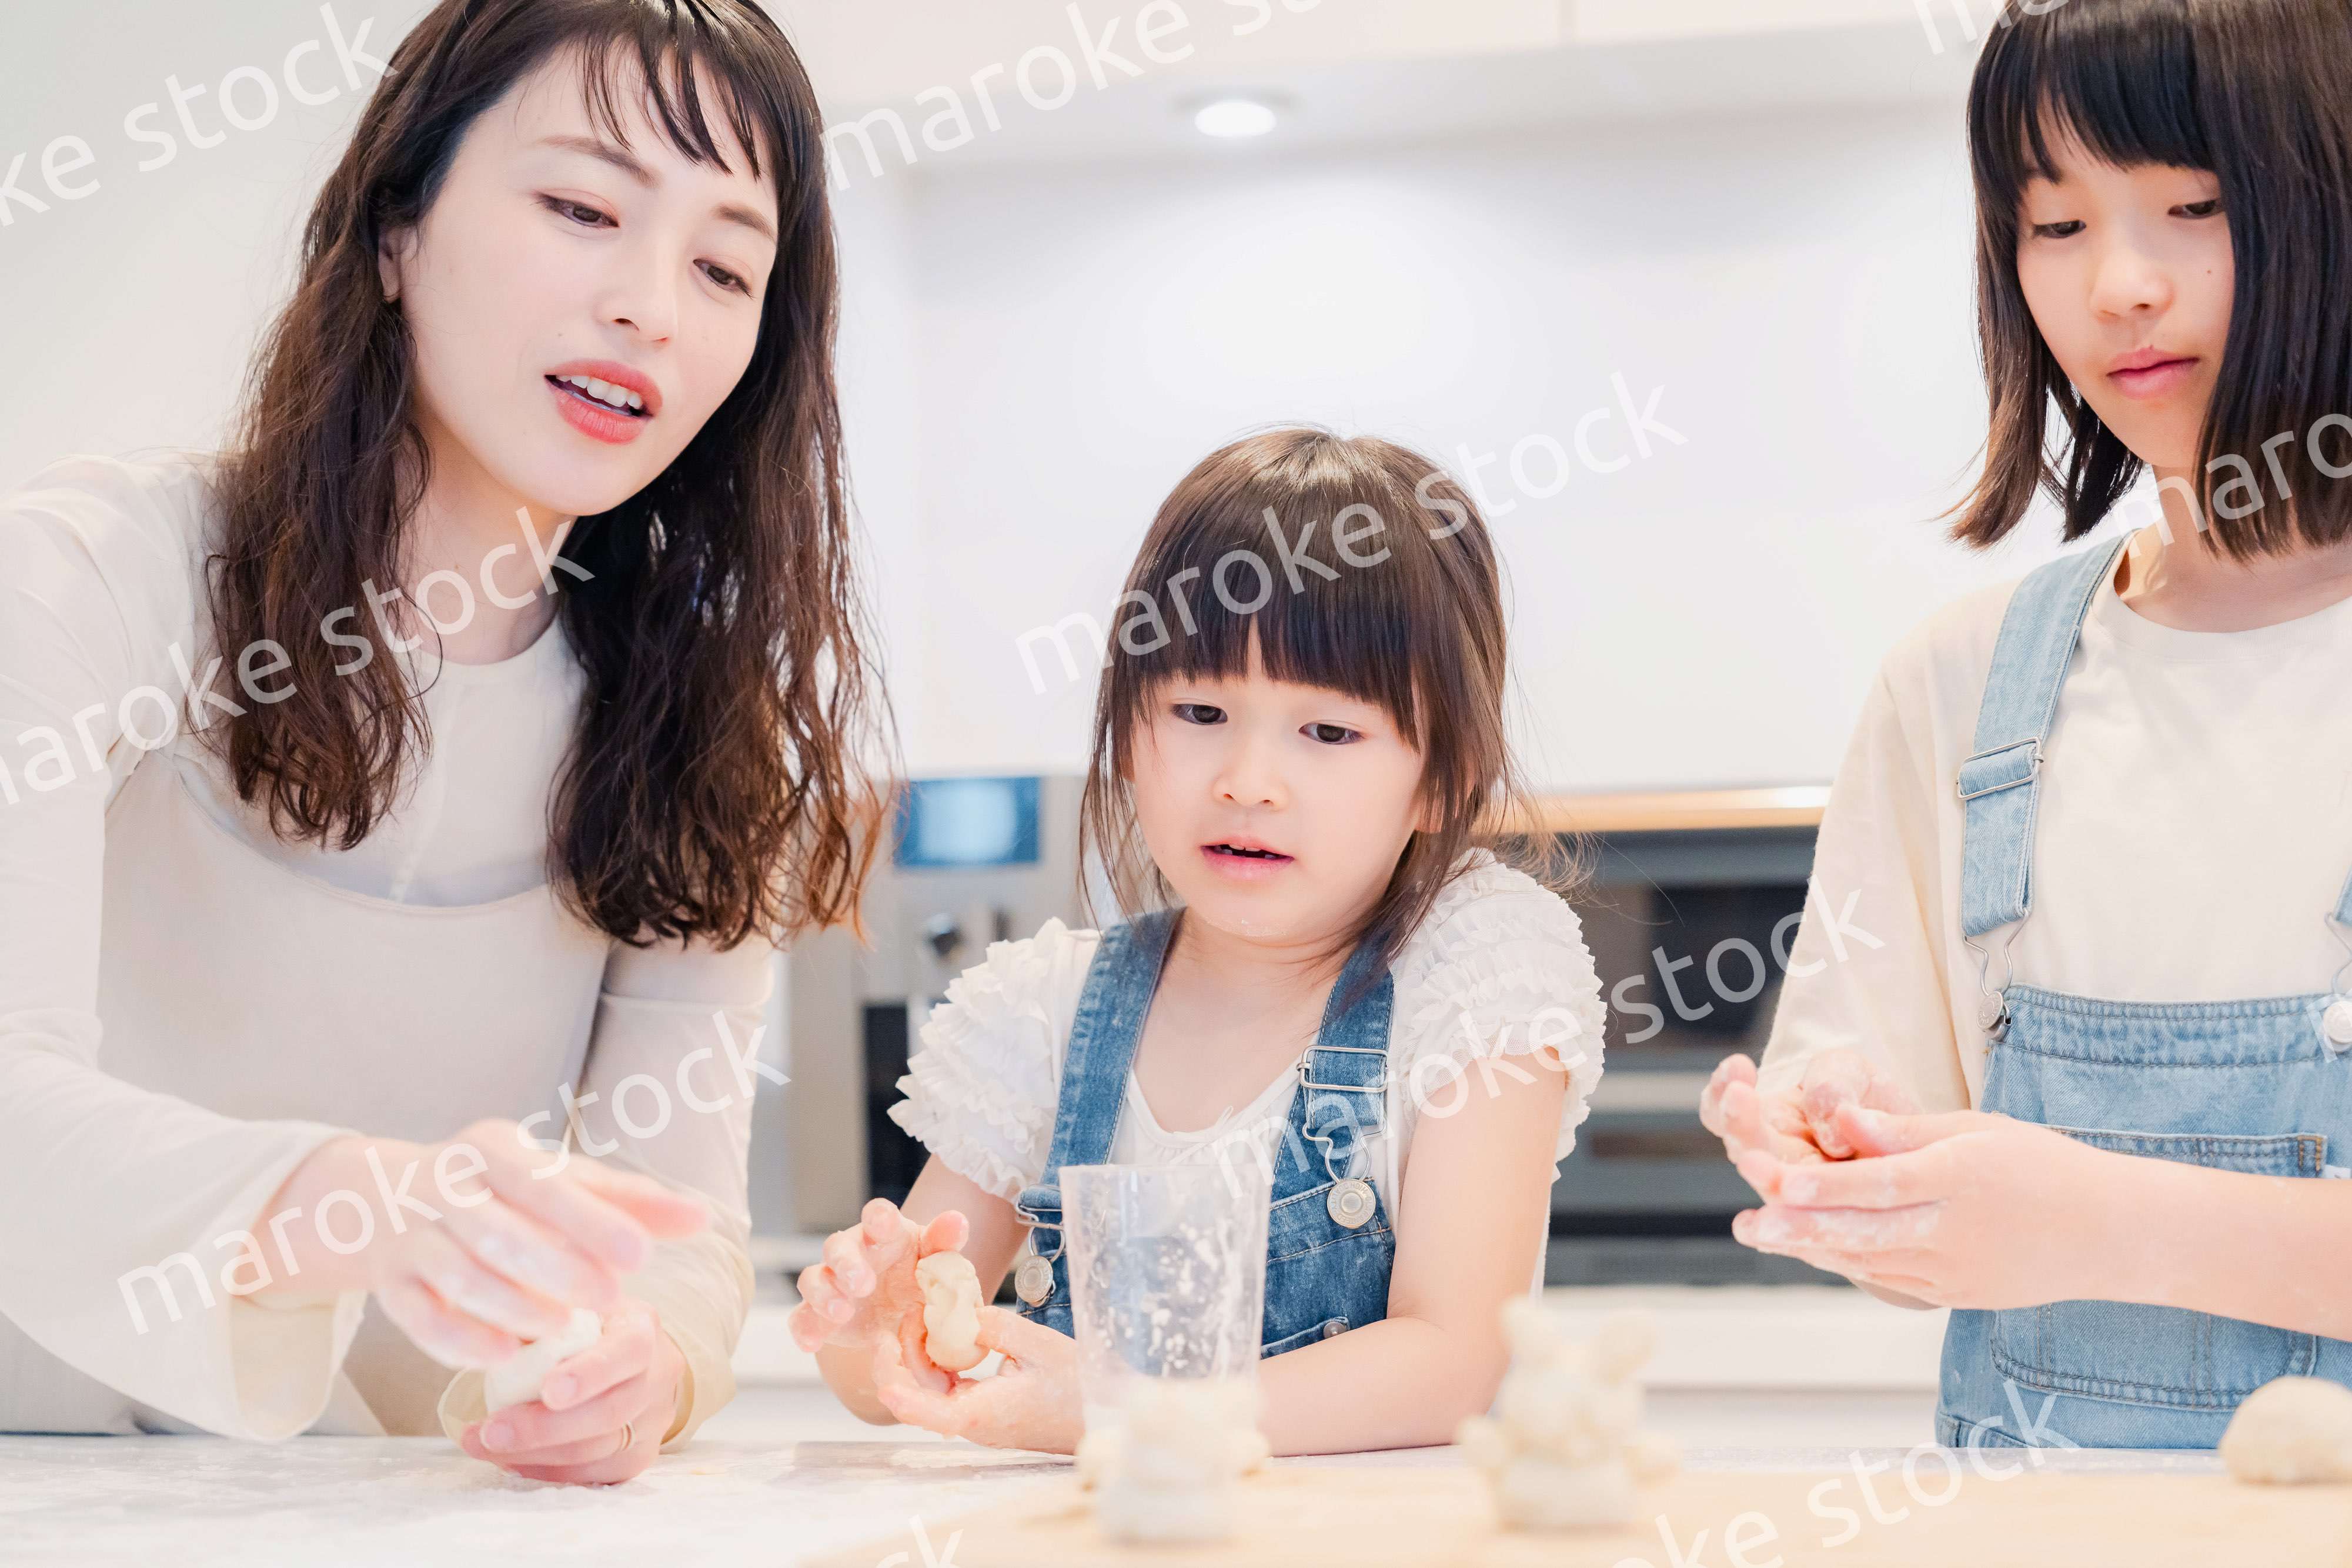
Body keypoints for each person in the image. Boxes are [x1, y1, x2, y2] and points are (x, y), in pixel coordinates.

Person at [0, 0, 884, 1486]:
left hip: (395, 1509)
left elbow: (674, 1224)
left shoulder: (697, 720)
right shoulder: (96, 573)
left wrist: (645, 1371)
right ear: (394, 229)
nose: (653, 306)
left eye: (724, 265)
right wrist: (341, 1199)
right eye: (582, 206)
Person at [1704, 0, 2352, 1449]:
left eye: (2192, 205)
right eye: (2052, 225)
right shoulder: (1959, 681)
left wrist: (2102, 1219)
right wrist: (1840, 1163)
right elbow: (1900, 1219)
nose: (2119, 283)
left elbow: (2056, 1223)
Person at [788, 429, 1608, 1455]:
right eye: (1201, 709)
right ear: (1130, 731)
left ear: (1441, 778)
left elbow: (1452, 1360)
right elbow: (882, 1374)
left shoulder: (1475, 968)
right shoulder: (1043, 1011)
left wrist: (1124, 1409)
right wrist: (871, 1323)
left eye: (1329, 732)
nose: (1248, 781)